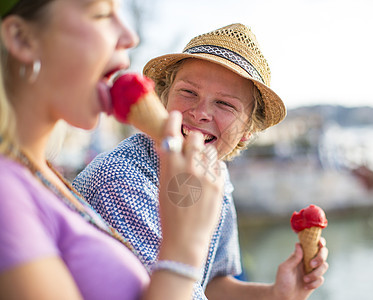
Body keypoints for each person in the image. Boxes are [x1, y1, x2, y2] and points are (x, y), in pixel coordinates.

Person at [74, 23, 329, 300]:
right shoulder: (122, 181)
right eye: (188, 92)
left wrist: (276, 294)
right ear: (164, 97)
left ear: (247, 131)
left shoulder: (215, 173)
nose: (200, 112)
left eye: (225, 104)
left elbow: (209, 283)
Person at [0, 1, 225, 299]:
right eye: (102, 13)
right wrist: (184, 250)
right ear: (21, 39)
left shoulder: (38, 173)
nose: (131, 36)